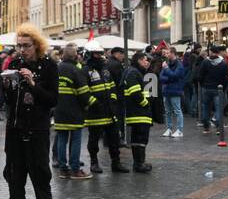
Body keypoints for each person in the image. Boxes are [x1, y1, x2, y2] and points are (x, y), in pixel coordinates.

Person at [1, 24, 61, 199]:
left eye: (26, 46)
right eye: (19, 45)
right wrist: (7, 86)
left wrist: (33, 84)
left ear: (37, 45)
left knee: (41, 184)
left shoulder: (49, 67)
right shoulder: (14, 65)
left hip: (37, 134)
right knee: (15, 186)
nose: (21, 50)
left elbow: (51, 100)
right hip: (15, 133)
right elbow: (9, 102)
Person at [53, 43, 93, 178]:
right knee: (75, 139)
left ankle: (63, 169)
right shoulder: (76, 70)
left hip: (59, 110)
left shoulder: (57, 68)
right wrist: (91, 104)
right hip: (74, 111)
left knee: (61, 139)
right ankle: (75, 169)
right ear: (76, 56)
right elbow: (83, 92)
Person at [83, 43, 122, 174]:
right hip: (95, 112)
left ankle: (116, 163)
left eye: (100, 53)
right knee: (94, 139)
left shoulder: (105, 69)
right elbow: (83, 91)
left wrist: (113, 99)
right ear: (89, 54)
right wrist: (94, 103)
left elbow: (112, 85)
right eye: (95, 53)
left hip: (109, 110)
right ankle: (94, 163)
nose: (98, 56)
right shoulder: (85, 70)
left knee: (114, 139)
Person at [121, 50, 155, 173]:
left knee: (137, 139)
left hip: (138, 112)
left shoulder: (136, 72)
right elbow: (135, 92)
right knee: (140, 138)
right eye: (145, 60)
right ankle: (139, 164)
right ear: (139, 60)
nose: (147, 62)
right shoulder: (133, 73)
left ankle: (139, 163)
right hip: (139, 112)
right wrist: (145, 104)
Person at [196, 45, 228, 144]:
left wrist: (203, 84)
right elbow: (225, 78)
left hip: (206, 88)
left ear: (211, 52)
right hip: (218, 89)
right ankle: (219, 127)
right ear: (218, 52)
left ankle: (206, 126)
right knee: (219, 108)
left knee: (205, 107)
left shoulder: (205, 62)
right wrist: (223, 87)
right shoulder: (223, 64)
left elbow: (200, 76)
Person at [159, 47, 186, 138]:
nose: (166, 54)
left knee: (177, 110)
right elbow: (161, 77)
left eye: (168, 53)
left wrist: (166, 70)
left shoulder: (179, 64)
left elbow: (175, 76)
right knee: (168, 111)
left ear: (173, 53)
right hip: (167, 90)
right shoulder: (166, 64)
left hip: (175, 90)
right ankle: (169, 129)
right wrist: (169, 78)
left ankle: (179, 130)